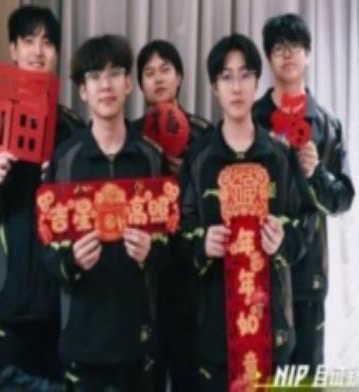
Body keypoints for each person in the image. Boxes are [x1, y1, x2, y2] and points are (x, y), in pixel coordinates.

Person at [42, 34, 168, 392]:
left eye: (114, 74)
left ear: (128, 84)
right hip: (83, 341)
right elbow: (45, 250)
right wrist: (71, 261)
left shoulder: (150, 159)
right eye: (95, 76)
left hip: (138, 340)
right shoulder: (65, 161)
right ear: (83, 91)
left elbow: (173, 247)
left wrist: (151, 252)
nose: (105, 85)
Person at [180, 33, 306, 391]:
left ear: (256, 82)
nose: (236, 87)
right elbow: (177, 232)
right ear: (214, 87)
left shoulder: (279, 156)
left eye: (245, 75)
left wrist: (282, 240)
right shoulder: (199, 158)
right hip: (214, 329)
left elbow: (304, 228)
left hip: (271, 324)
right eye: (226, 77)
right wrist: (202, 244)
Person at [0, 5, 84, 386]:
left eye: (47, 42)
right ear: (13, 49)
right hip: (11, 297)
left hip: (61, 298)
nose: (38, 51)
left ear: (57, 54)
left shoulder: (73, 130)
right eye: (29, 40)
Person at [252, 13, 355, 373]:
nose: (287, 54)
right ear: (269, 58)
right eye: (279, 47)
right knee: (260, 374)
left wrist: (316, 173)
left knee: (305, 377)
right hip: (258, 267)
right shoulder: (252, 119)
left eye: (295, 46)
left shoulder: (327, 124)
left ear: (308, 54)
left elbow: (343, 199)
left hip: (308, 270)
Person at [133, 39, 213, 392]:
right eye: (149, 72)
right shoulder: (130, 134)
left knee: (188, 373)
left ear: (179, 77)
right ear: (139, 83)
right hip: (143, 273)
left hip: (192, 273)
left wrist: (186, 176)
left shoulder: (204, 134)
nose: (158, 78)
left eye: (166, 69)